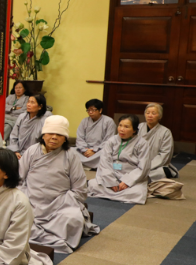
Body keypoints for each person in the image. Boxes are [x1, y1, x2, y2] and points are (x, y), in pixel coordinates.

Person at [19, 115, 98, 253]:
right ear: (43, 135)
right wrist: (24, 197)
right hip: (32, 200)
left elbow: (80, 188)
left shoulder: (71, 155)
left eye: (59, 134)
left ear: (65, 138)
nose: (54, 137)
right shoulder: (31, 151)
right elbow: (19, 179)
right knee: (13, 216)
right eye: (50, 133)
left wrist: (62, 202)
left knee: (73, 219)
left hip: (60, 203)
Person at [87, 114, 151, 205]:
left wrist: (127, 182)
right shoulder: (111, 141)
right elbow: (104, 162)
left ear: (134, 130)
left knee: (138, 192)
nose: (121, 129)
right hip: (112, 174)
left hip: (130, 176)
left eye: (126, 127)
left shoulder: (142, 143)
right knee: (93, 184)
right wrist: (110, 181)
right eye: (120, 125)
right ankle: (117, 194)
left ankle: (111, 194)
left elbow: (143, 167)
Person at [138, 103, 179, 181]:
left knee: (159, 172)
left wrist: (147, 166)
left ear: (160, 116)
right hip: (138, 163)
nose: (150, 115)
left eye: (153, 113)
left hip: (156, 166)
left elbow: (165, 154)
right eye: (148, 113)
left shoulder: (165, 132)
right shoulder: (138, 128)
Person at [75, 99, 116, 169]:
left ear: (100, 110)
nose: (90, 112)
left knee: (106, 154)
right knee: (70, 151)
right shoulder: (84, 121)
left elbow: (109, 140)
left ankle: (84, 164)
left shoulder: (109, 121)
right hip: (85, 150)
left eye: (93, 110)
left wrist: (94, 150)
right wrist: (85, 150)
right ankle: (91, 164)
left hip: (99, 150)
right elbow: (79, 137)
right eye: (88, 110)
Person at [7, 93, 51, 159]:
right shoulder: (22, 117)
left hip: (36, 155)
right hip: (18, 153)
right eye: (28, 102)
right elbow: (14, 135)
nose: (28, 104)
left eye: (32, 102)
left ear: (40, 106)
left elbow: (45, 141)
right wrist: (16, 151)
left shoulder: (45, 120)